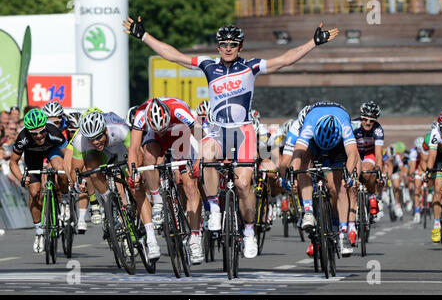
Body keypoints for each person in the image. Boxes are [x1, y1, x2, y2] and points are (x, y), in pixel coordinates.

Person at [123, 16, 339, 259]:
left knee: (243, 184)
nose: (228, 48)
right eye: (223, 44)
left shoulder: (251, 66)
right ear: (218, 47)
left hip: (243, 131)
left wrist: (313, 42)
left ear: (240, 47)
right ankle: (214, 207)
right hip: (216, 129)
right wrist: (144, 36)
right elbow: (174, 55)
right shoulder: (208, 65)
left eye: (233, 44)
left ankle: (248, 231)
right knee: (205, 155)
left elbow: (284, 60)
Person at [70, 110, 161, 260]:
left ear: (105, 130)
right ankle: (108, 200)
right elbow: (76, 170)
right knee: (91, 167)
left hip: (122, 151)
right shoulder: (80, 139)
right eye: (91, 139)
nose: (96, 141)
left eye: (98, 136)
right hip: (100, 155)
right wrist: (78, 184)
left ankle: (151, 240)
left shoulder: (119, 129)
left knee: (136, 188)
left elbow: (136, 152)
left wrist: (135, 175)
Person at [128, 97, 204, 264]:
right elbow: (134, 147)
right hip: (156, 139)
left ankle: (195, 239)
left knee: (190, 185)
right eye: (157, 127)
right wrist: (132, 171)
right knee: (148, 156)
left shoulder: (178, 110)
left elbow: (199, 136)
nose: (161, 130)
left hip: (180, 134)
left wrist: (198, 160)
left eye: (162, 127)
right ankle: (158, 200)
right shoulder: (141, 113)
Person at [287, 102, 359, 257]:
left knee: (339, 186)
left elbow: (353, 153)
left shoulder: (345, 125)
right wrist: (293, 175)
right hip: (315, 143)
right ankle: (308, 211)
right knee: (304, 162)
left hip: (337, 147)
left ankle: (343, 233)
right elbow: (297, 153)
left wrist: (348, 174)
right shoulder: (310, 124)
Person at [9, 109, 69, 253]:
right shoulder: (22, 137)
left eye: (41, 131)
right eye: (34, 133)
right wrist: (22, 178)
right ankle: (39, 232)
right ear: (29, 132)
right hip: (33, 157)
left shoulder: (53, 131)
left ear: (45, 128)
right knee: (34, 192)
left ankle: (65, 199)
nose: (39, 136)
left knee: (60, 169)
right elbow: (13, 162)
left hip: (52, 150)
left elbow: (68, 155)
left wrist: (69, 175)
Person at [348, 101, 384, 244]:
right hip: (355, 153)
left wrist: (379, 172)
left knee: (367, 172)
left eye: (371, 120)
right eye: (365, 119)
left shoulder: (378, 130)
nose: (368, 122)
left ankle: (372, 195)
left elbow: (379, 154)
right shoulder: (353, 125)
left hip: (369, 154)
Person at [425, 110, 442, 243]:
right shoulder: (435, 133)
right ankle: (436, 225)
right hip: (440, 158)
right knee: (438, 189)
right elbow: (432, 155)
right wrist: (429, 170)